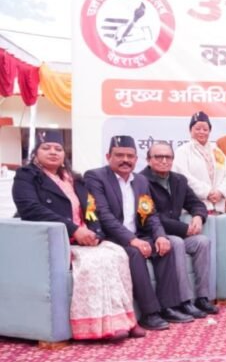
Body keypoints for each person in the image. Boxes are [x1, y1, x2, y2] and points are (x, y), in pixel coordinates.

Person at [12, 131, 143, 340]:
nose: (53, 152)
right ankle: (96, 328)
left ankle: (125, 321)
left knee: (117, 254)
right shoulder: (26, 176)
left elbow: (91, 209)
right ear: (35, 153)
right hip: (57, 240)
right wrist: (74, 230)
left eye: (58, 149)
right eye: (46, 148)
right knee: (93, 263)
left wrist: (96, 234)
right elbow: (31, 209)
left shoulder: (74, 179)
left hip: (84, 238)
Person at [85, 136, 193, 330]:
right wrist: (132, 240)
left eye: (130, 156)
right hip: (111, 238)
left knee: (165, 247)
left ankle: (168, 307)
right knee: (135, 253)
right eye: (119, 155)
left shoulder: (141, 181)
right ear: (108, 156)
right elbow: (104, 215)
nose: (125, 160)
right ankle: (149, 313)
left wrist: (160, 235)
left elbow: (150, 213)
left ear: (136, 159)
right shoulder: (96, 177)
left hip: (137, 235)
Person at [141, 141, 218, 318]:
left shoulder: (178, 180)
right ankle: (184, 301)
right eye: (158, 157)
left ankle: (202, 298)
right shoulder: (141, 181)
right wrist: (184, 229)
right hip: (152, 235)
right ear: (148, 160)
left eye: (168, 157)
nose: (164, 161)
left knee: (202, 241)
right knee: (176, 242)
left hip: (176, 233)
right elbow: (151, 216)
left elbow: (196, 204)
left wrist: (198, 217)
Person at [173, 111, 226, 213]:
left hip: (217, 207)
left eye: (205, 129)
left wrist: (220, 192)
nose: (201, 132)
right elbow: (182, 177)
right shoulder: (182, 151)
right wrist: (207, 192)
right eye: (197, 129)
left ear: (209, 131)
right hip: (194, 209)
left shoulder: (216, 150)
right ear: (190, 130)